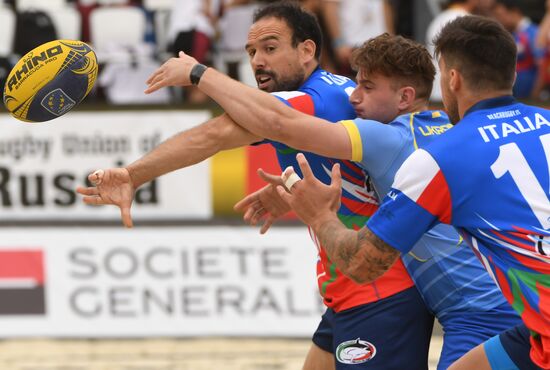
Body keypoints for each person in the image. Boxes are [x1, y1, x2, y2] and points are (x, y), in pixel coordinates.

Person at [146, 15, 550, 369]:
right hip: (518, 311)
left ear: (445, 83)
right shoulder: (474, 127)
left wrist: (201, 74)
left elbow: (279, 123)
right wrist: (288, 183)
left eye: (367, 87)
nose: (352, 97)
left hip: (476, 314)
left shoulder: (392, 140)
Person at [77, 3, 432, 369]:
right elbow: (353, 178)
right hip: (351, 288)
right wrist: (288, 191)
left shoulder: (310, 99)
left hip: (378, 293)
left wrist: (133, 174)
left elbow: (213, 134)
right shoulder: (338, 90)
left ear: (307, 50)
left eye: (270, 48)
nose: (258, 61)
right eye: (251, 52)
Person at [492, 0, 545, 99]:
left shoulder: (534, 33)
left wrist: (535, 94)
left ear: (514, 12)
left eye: (500, 15)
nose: (498, 19)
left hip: (532, 98)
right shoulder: (512, 34)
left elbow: (542, 66)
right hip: (515, 96)